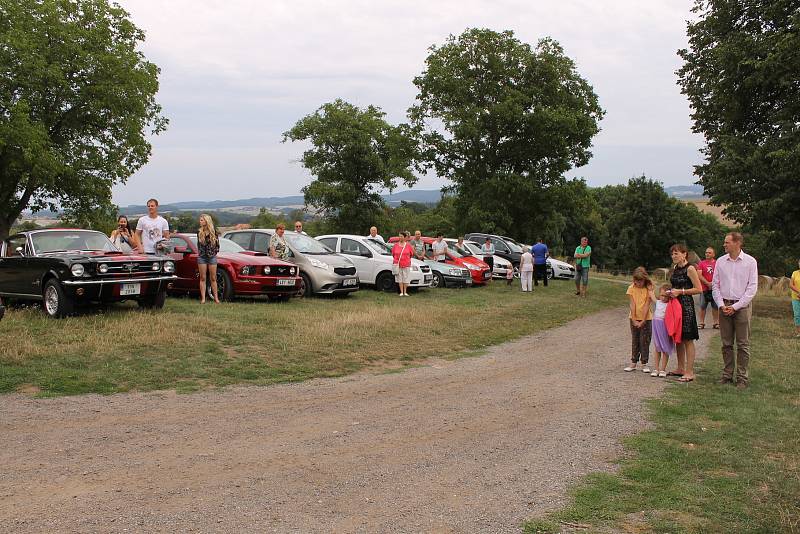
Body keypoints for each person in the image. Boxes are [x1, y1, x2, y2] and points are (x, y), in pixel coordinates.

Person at [711, 232, 759, 389]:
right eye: (724, 242)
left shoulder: (750, 262)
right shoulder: (720, 262)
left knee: (743, 344)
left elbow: (752, 288)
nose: (724, 245)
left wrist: (736, 306)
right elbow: (715, 285)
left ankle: (742, 378)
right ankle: (727, 374)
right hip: (724, 305)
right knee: (726, 343)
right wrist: (720, 304)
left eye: (727, 242)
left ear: (737, 243)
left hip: (742, 307)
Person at [669, 243, 703, 383]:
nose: (674, 256)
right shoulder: (675, 268)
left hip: (686, 306)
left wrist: (681, 292)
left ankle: (690, 372)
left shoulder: (690, 269)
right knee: (679, 338)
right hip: (675, 305)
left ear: (684, 254)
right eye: (672, 254)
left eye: (676, 253)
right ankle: (680, 368)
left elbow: (699, 289)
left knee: (688, 338)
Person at [623, 267, 656, 373]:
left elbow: (647, 304)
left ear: (644, 279)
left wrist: (643, 320)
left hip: (646, 318)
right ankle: (633, 362)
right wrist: (633, 319)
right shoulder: (631, 288)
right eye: (636, 281)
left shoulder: (649, 289)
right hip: (633, 318)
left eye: (640, 280)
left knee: (645, 340)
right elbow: (632, 304)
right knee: (635, 340)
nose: (638, 283)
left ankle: (644, 363)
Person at [651, 283, 675, 377]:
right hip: (656, 326)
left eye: (665, 296)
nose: (663, 298)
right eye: (661, 295)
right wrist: (650, 286)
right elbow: (651, 295)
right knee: (657, 347)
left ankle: (663, 369)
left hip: (665, 327)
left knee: (665, 348)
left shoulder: (670, 304)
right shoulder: (658, 302)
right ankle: (656, 368)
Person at [197, 214, 220, 304]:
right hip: (202, 257)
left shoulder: (214, 232)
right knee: (202, 278)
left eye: (202, 220)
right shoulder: (199, 232)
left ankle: (216, 298)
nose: (200, 221)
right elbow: (198, 245)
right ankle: (203, 299)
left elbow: (217, 246)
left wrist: (213, 253)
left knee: (213, 278)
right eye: (200, 220)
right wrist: (201, 253)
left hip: (212, 257)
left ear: (207, 221)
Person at [697, 247, 719, 329]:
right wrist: (707, 283)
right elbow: (699, 275)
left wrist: (712, 284)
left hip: (715, 288)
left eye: (709, 253)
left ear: (713, 254)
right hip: (704, 288)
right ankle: (701, 322)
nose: (707, 254)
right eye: (706, 252)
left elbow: (720, 274)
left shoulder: (717, 263)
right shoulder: (701, 263)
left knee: (715, 306)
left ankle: (716, 322)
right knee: (702, 306)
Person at [392, 231, 414, 297]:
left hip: (406, 264)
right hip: (398, 264)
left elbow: (411, 254)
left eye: (401, 236)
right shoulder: (395, 245)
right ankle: (401, 292)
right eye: (399, 236)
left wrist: (406, 259)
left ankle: (405, 292)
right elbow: (393, 254)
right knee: (400, 278)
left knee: (406, 278)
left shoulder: (408, 245)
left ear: (404, 237)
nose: (400, 237)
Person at [790, 259, 800, 338]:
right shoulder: (795, 273)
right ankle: (798, 332)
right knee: (797, 315)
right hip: (795, 297)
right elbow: (791, 284)